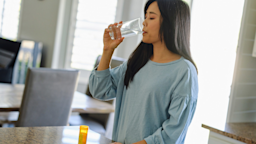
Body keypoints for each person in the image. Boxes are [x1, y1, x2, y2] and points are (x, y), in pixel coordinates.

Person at [89, 0, 198, 143]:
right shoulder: (136, 61)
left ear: (171, 23)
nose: (144, 23)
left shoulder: (184, 71)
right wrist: (107, 51)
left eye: (151, 18)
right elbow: (100, 90)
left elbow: (172, 133)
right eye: (145, 17)